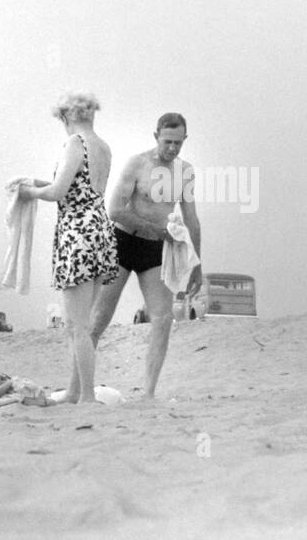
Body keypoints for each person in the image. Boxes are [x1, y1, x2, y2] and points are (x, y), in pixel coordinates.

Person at [83, 112, 202, 399]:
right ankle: (81, 388)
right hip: (123, 242)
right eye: (167, 141)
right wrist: (154, 229)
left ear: (184, 140)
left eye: (178, 143)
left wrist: (197, 265)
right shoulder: (138, 164)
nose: (172, 148)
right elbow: (115, 210)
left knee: (162, 319)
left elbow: (192, 220)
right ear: (156, 137)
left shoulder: (185, 172)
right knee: (98, 319)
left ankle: (148, 394)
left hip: (156, 249)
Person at [14, 92, 119, 404]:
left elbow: (59, 191)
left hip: (77, 233)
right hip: (100, 230)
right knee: (82, 323)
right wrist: (36, 183)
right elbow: (78, 186)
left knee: (77, 326)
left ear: (66, 117)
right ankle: (75, 391)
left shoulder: (74, 142)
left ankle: (86, 396)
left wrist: (28, 193)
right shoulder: (103, 147)